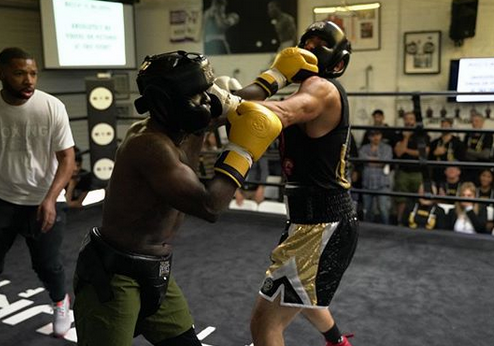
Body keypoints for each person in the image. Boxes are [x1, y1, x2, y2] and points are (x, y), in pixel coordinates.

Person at [72, 51, 282, 346]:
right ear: (166, 101)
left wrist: (278, 76)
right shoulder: (149, 145)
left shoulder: (187, 120)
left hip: (157, 272)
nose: (207, 100)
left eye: (207, 91)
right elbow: (210, 206)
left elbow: (244, 103)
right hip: (114, 278)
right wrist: (243, 151)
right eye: (198, 94)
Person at [235, 21, 358, 346]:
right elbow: (253, 102)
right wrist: (271, 77)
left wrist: (222, 102)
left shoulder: (322, 89)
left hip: (322, 225)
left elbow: (278, 113)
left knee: (264, 326)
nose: (309, 49)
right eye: (307, 42)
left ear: (336, 61)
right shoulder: (309, 88)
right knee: (298, 293)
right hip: (312, 222)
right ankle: (338, 343)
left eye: (319, 44)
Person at [0, 47, 74, 337]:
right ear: (3, 73)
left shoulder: (51, 106)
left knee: (47, 264)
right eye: (19, 73)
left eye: (33, 73)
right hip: (3, 199)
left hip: (44, 199)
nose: (29, 80)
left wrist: (51, 199)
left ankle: (60, 302)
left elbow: (67, 157)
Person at [392, 111, 430, 224]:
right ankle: (400, 222)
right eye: (407, 119)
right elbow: (398, 152)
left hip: (418, 172)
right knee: (401, 199)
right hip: (403, 171)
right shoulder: (399, 134)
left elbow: (424, 153)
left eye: (411, 119)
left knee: (419, 199)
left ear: (415, 120)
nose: (409, 121)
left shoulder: (422, 134)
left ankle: (417, 222)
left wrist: (406, 150)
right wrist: (406, 138)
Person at [359, 130, 392, 224]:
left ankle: (388, 230)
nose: (375, 137)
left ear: (381, 135)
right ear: (369, 137)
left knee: (384, 210)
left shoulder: (387, 148)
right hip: (367, 183)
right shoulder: (364, 148)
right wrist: (378, 161)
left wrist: (369, 160)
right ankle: (367, 234)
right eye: (372, 135)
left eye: (377, 134)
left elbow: (385, 161)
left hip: (382, 183)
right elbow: (362, 158)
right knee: (367, 210)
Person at [428, 118, 465, 185]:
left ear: (451, 127)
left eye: (446, 126)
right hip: (437, 175)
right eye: (442, 126)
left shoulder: (458, 143)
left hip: (452, 177)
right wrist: (434, 153)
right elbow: (428, 160)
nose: (444, 128)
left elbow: (462, 160)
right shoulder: (434, 143)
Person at [463, 112, 493, 183]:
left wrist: (469, 152)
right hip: (468, 168)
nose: (474, 123)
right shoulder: (468, 135)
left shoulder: (488, 135)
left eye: (476, 121)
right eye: (472, 121)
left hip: (481, 168)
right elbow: (464, 152)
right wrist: (478, 154)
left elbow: (485, 155)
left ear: (482, 122)